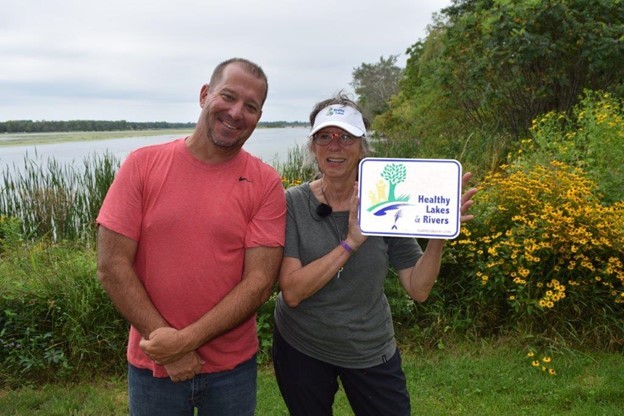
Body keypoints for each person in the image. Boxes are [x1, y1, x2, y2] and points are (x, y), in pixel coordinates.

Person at [96, 57, 286, 416]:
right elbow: (111, 265)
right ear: (204, 95)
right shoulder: (142, 165)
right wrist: (170, 347)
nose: (235, 112)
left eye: (250, 106)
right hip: (153, 366)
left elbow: (260, 282)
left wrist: (184, 342)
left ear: (259, 117)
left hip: (233, 370)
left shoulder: (266, 183)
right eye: (228, 97)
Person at [272, 93, 478, 416]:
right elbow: (293, 291)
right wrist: (351, 243)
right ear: (313, 146)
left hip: (368, 348)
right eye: (325, 137)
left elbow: (418, 288)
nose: (335, 146)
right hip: (302, 345)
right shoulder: (293, 203)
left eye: (346, 137)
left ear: (362, 147)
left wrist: (439, 235)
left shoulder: (384, 200)